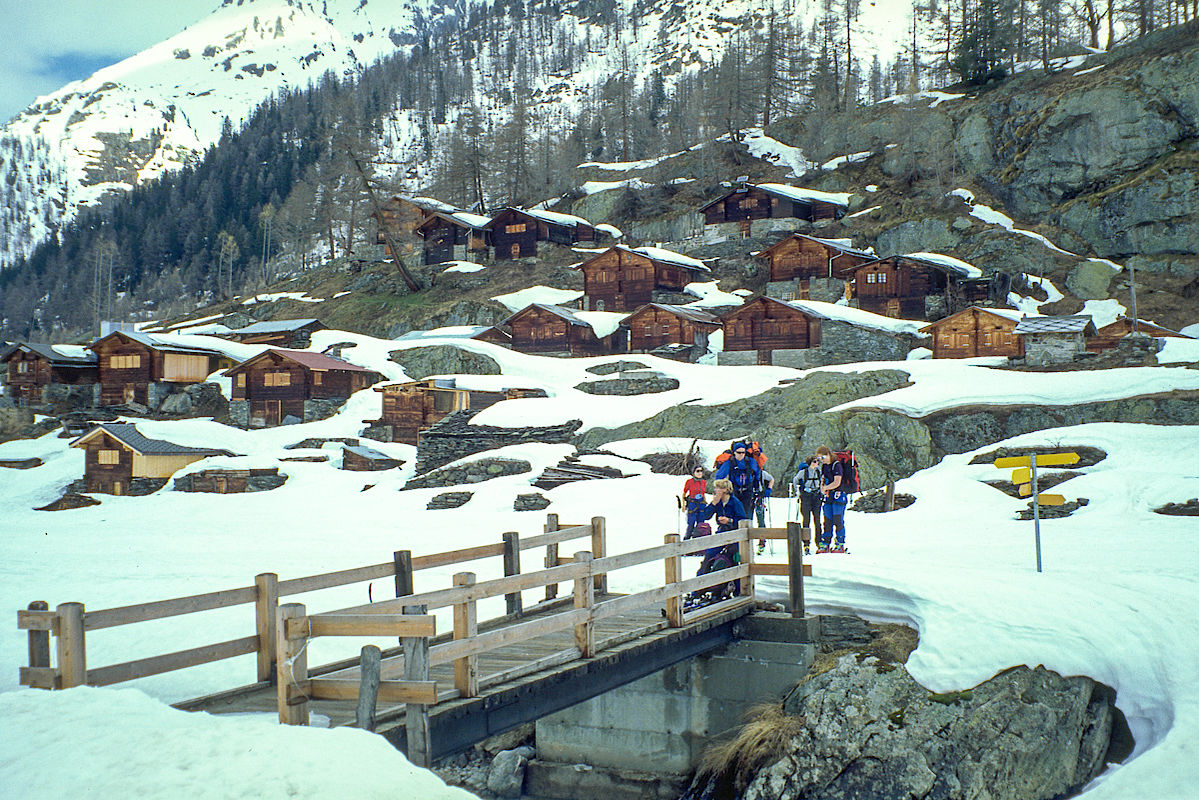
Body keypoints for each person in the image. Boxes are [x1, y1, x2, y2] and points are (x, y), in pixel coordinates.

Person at [714, 441, 761, 532]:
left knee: (745, 515)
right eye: (739, 452)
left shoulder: (750, 461)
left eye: (743, 452)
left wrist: (757, 485)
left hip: (747, 491)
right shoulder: (729, 463)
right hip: (734, 491)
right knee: (733, 513)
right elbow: (719, 476)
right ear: (734, 452)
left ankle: (744, 537)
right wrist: (722, 488)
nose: (741, 455)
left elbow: (758, 472)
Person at [816, 446, 848, 553]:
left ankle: (840, 543)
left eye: (823, 457)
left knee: (837, 519)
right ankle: (826, 543)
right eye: (819, 458)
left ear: (828, 454)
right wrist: (822, 486)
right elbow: (824, 478)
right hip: (829, 495)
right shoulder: (825, 466)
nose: (822, 460)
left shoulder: (837, 465)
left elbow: (837, 482)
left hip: (839, 495)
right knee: (827, 519)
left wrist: (826, 487)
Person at [793, 456, 823, 554]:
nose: (816, 463)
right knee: (806, 520)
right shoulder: (804, 472)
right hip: (806, 497)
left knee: (817, 520)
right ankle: (806, 543)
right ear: (810, 462)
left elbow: (822, 481)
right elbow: (795, 480)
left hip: (816, 496)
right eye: (814, 461)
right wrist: (799, 491)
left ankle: (819, 541)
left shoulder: (818, 471)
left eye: (817, 461)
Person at [682, 466, 708, 539]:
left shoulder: (703, 482)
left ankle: (698, 538)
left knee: (701, 522)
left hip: (701, 503)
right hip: (692, 503)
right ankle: (687, 538)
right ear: (693, 472)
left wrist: (705, 500)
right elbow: (684, 493)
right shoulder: (689, 482)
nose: (700, 473)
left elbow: (703, 493)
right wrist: (683, 504)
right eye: (697, 471)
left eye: (701, 471)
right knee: (691, 522)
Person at [754, 470, 774, 554]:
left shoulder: (761, 472)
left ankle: (762, 542)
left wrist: (769, 488)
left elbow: (771, 479)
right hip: (747, 496)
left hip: (759, 497)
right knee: (747, 520)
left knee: (761, 520)